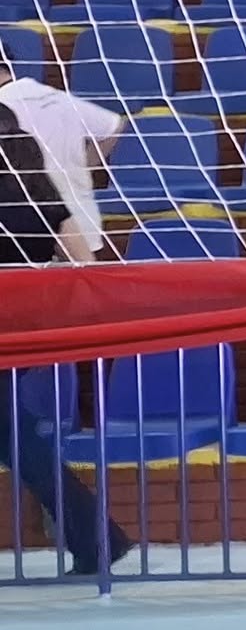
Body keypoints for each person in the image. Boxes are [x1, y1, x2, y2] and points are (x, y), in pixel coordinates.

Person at [0, 57, 136, 575]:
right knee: (13, 435)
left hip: (13, 318)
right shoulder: (32, 180)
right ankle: (97, 539)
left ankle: (98, 539)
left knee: (14, 434)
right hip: (25, 317)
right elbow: (71, 240)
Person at [0, 56, 127, 263]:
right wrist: (84, 166)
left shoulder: (4, 109)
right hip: (80, 220)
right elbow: (114, 125)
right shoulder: (56, 96)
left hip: (34, 225)